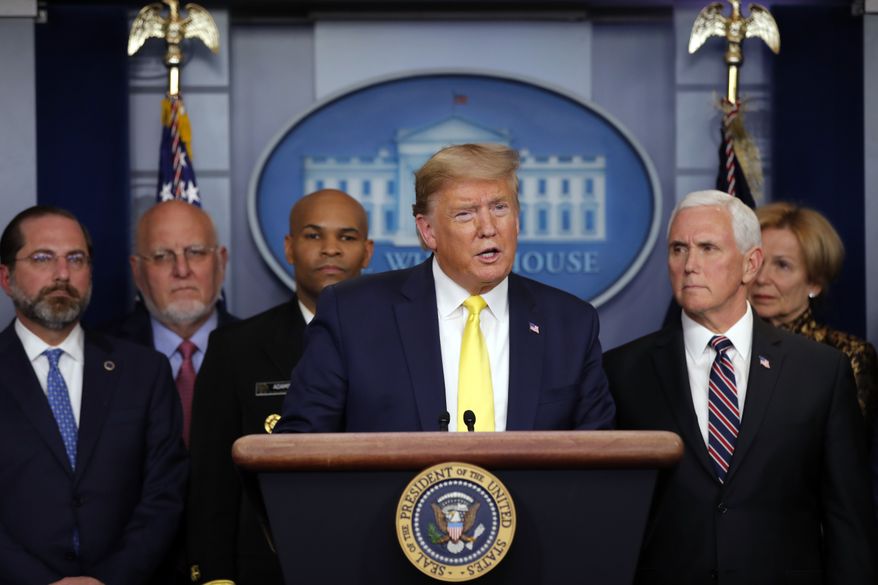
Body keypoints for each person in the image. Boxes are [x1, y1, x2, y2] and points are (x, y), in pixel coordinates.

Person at [603, 190, 876, 583]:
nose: (690, 265)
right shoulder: (622, 369)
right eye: (678, 249)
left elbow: (848, 520)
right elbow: (609, 514)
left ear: (751, 264)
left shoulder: (820, 370)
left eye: (708, 248)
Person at [276, 143, 615, 433]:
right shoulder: (353, 315)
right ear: (428, 232)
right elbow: (300, 447)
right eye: (466, 214)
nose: (488, 228)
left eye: (499, 208)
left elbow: (601, 461)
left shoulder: (571, 324)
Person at [186, 189, 374, 585]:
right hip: (270, 568)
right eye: (313, 235)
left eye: (347, 236)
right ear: (289, 248)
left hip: (377, 558)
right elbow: (211, 482)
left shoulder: (400, 343)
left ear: (368, 251)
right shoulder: (235, 347)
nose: (330, 249)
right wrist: (216, 577)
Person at [0, 205, 187, 585]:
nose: (63, 274)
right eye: (42, 258)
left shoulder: (144, 371)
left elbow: (165, 493)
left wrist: (109, 580)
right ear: (6, 277)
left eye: (76, 259)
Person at [110, 200, 236, 445]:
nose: (181, 270)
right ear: (137, 271)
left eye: (196, 252)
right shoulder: (101, 356)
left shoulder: (259, 349)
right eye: (162, 256)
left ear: (221, 262)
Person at [749, 202, 877, 422]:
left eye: (782, 265)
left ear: (814, 283)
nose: (761, 279)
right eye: (756, 262)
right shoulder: (726, 346)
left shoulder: (846, 354)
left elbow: (846, 448)